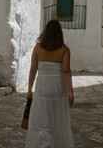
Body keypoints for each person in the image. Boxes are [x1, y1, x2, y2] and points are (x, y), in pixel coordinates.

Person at [25, 20, 74, 148]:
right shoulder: (65, 50)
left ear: (45, 32)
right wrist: (71, 91)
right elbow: (66, 71)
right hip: (58, 87)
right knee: (57, 122)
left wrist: (29, 90)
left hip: (42, 87)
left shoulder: (37, 48)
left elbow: (33, 70)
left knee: (42, 120)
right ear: (60, 33)